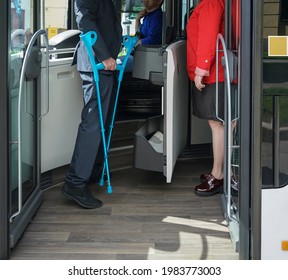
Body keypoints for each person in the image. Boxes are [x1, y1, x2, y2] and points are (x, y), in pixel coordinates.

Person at [61, 0, 122, 209]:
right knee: (93, 124)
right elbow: (85, 19)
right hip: (97, 62)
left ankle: (92, 172)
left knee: (101, 123)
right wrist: (104, 55)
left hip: (106, 64)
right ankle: (75, 182)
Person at [186, 0, 231, 197]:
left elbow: (208, 35)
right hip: (218, 73)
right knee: (223, 123)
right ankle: (223, 172)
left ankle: (219, 174)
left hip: (214, 74)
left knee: (219, 123)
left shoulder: (211, 3)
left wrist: (201, 68)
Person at [118, 0, 163, 72]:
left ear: (159, 1)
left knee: (114, 67)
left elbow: (152, 41)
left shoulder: (157, 18)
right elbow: (139, 36)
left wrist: (134, 43)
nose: (144, 1)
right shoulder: (148, 16)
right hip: (140, 54)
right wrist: (137, 20)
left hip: (147, 58)